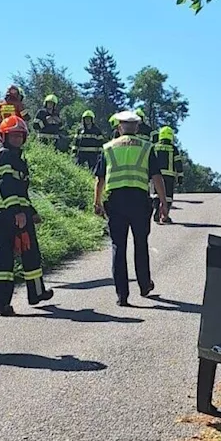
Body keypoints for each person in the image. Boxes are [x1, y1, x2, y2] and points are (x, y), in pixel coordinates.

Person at [94, 110, 169, 307]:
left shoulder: (108, 147)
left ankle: (122, 295)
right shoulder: (146, 147)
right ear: (136, 127)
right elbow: (157, 177)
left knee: (118, 247)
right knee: (140, 243)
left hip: (116, 201)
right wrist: (163, 203)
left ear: (119, 127)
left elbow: (100, 178)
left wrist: (97, 202)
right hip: (138, 200)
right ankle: (144, 285)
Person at [0, 116, 55, 315]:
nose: (18, 139)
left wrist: (31, 212)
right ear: (4, 137)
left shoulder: (18, 158)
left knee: (31, 253)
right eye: (13, 136)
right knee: (4, 259)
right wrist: (16, 212)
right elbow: (5, 186)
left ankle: (36, 293)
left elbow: (21, 191)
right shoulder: (4, 156)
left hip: (19, 213)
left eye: (20, 136)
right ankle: (2, 303)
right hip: (5, 214)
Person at [151, 126, 179, 224]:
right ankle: (165, 216)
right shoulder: (173, 149)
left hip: (156, 175)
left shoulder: (154, 147)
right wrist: (180, 176)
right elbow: (178, 162)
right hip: (169, 176)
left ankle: (156, 211)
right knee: (168, 197)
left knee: (156, 194)